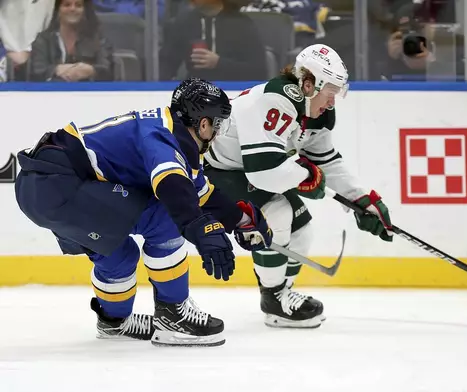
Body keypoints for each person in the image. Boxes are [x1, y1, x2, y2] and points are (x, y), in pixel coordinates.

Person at [14, 78, 273, 347]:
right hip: (60, 183)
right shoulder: (163, 136)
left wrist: (240, 219)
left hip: (43, 185)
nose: (218, 132)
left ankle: (114, 322)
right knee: (163, 218)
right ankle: (173, 314)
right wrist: (199, 225)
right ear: (204, 123)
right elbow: (171, 184)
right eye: (218, 123)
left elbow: (197, 191)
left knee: (119, 254)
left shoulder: (171, 133)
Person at [203, 44, 393, 329]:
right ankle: (274, 300)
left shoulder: (316, 112)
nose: (331, 103)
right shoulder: (275, 100)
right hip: (218, 170)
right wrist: (305, 178)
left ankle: (280, 292)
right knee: (277, 214)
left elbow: (324, 160)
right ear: (308, 84)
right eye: (329, 93)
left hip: (248, 170)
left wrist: (361, 199)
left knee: (302, 228)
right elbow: (264, 171)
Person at [30, 0, 114, 82]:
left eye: (78, 5)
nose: (72, 9)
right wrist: (56, 70)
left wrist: (91, 70)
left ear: (85, 10)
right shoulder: (43, 40)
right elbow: (36, 71)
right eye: (67, 5)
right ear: (58, 10)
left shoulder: (99, 39)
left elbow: (108, 69)